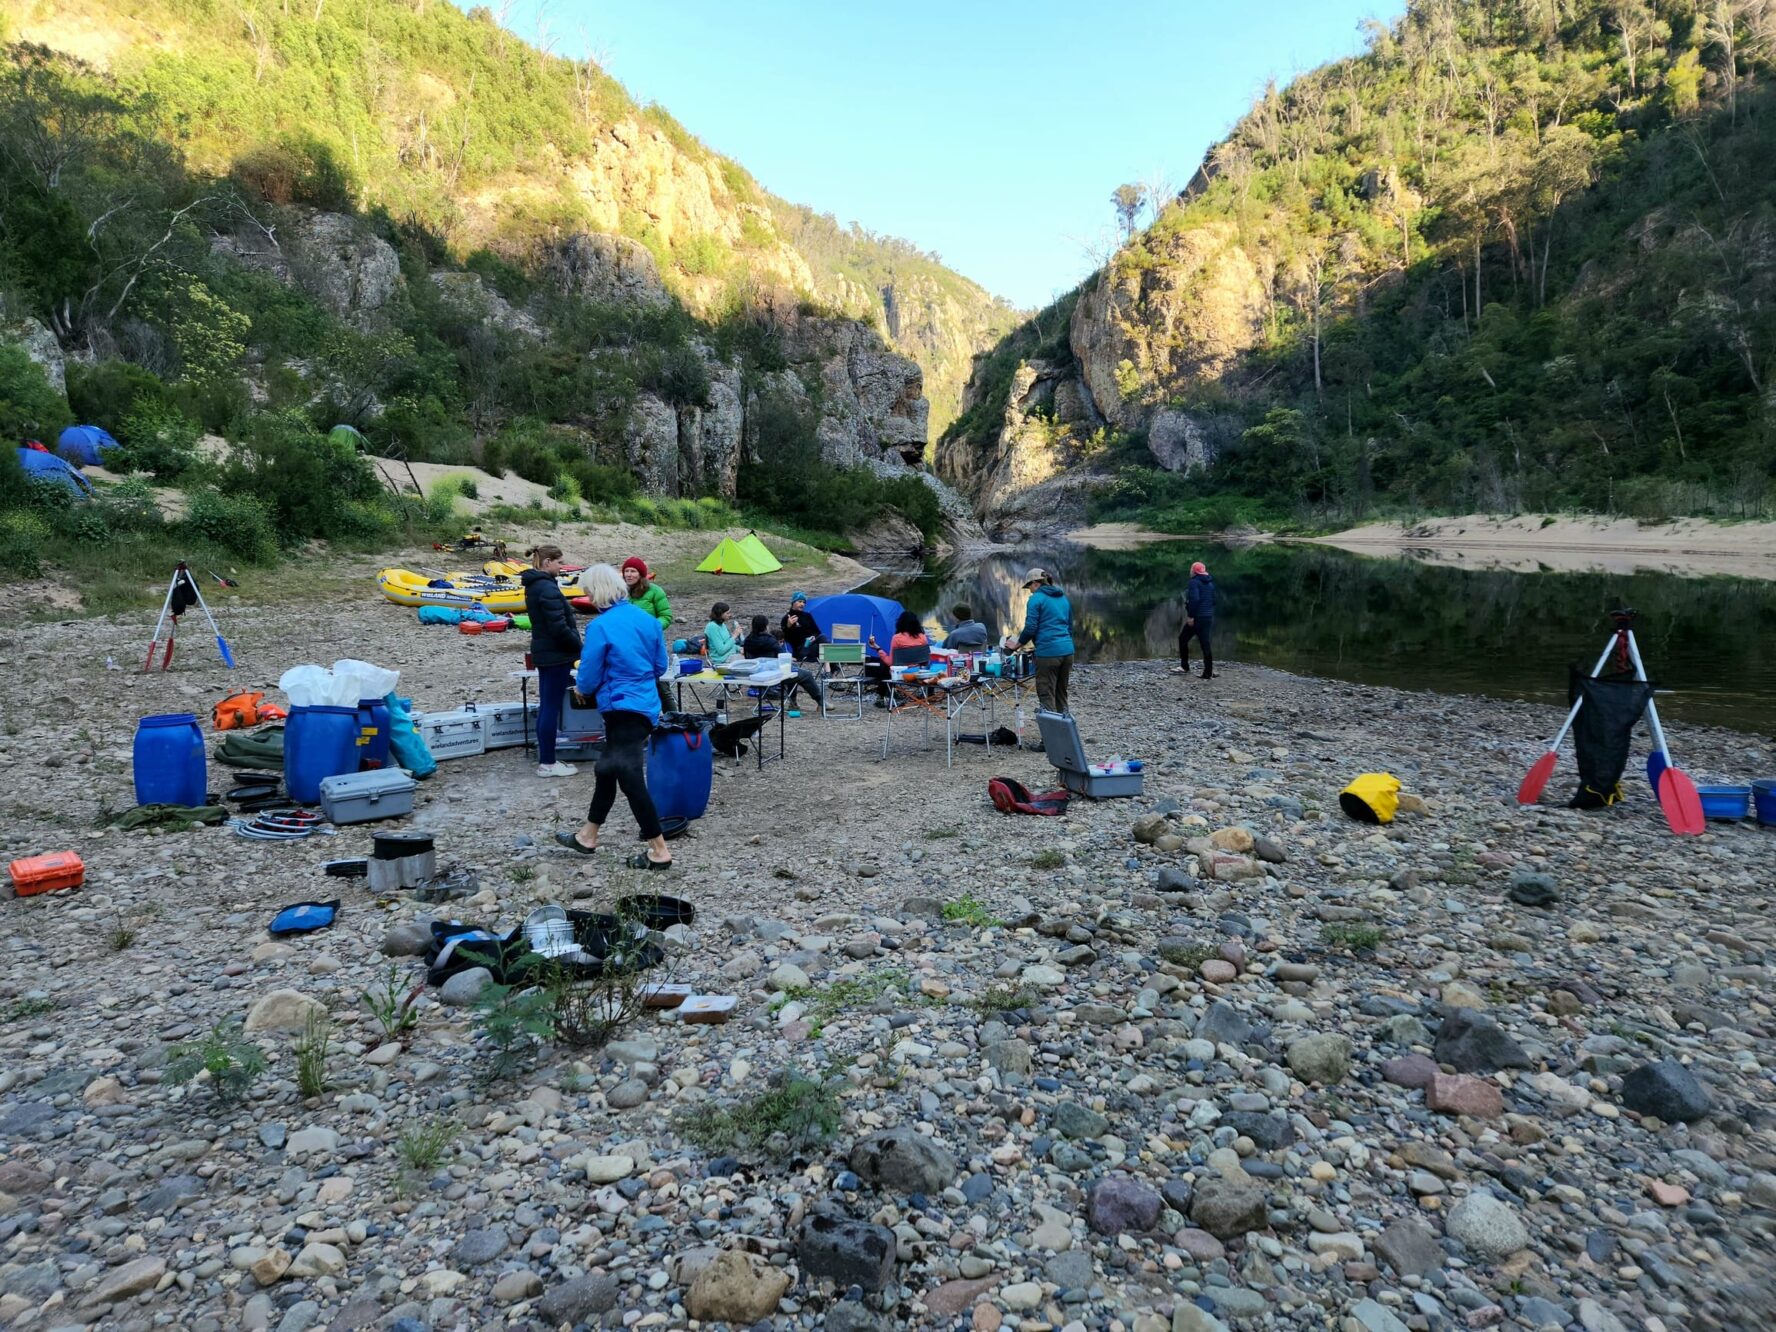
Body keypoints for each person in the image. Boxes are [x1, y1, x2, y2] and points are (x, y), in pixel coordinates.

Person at [556, 564, 673, 870]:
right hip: (646, 705)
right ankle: (587, 836)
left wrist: (583, 688)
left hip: (621, 706)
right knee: (606, 769)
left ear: (599, 591)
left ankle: (659, 852)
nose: (588, 597)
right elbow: (660, 666)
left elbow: (590, 670)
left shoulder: (601, 626)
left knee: (629, 774)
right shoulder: (648, 621)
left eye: (589, 592)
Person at [520, 545, 582, 778]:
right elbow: (558, 626)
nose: (561, 566)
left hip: (546, 653)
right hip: (556, 655)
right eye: (558, 562)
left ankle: (548, 758)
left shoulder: (535, 586)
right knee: (550, 707)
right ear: (547, 563)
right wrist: (578, 646)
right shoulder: (546, 587)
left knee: (547, 705)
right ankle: (547, 762)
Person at [1015, 567, 1075, 715]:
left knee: (1046, 692)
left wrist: (1017, 644)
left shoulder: (1036, 599)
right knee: (1061, 692)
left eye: (1029, 586)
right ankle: (1065, 730)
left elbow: (1030, 628)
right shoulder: (1062, 598)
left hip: (1048, 653)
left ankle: (1052, 736)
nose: (1029, 590)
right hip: (1067, 651)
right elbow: (1070, 627)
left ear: (1035, 583)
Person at [622, 556, 674, 712]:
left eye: (633, 571)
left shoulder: (654, 591)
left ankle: (675, 718)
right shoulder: (620, 592)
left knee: (661, 686)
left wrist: (650, 630)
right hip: (628, 647)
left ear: (641, 574)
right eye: (626, 571)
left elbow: (666, 616)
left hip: (651, 645)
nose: (629, 575)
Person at [743, 614, 824, 712]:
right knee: (804, 674)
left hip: (755, 675)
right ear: (766, 626)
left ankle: (793, 703)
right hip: (773, 675)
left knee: (793, 671)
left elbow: (747, 658)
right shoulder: (770, 640)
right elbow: (783, 657)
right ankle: (821, 702)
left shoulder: (747, 640)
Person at [866, 611, 931, 705]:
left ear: (900, 623)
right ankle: (927, 694)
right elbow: (925, 661)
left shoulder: (897, 638)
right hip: (918, 673)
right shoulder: (923, 637)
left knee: (884, 665)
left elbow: (890, 662)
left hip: (900, 674)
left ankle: (882, 696)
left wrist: (877, 648)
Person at [1176, 560, 1216, 679]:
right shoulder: (1210, 583)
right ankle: (1208, 671)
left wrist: (1191, 616)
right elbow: (1214, 601)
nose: (1190, 571)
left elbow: (1195, 599)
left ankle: (1184, 666)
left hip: (1197, 618)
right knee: (1205, 643)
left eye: (1191, 569)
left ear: (1194, 571)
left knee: (1182, 639)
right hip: (1207, 617)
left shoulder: (1194, 582)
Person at [779, 591, 825, 664]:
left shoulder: (807, 616)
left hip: (811, 644)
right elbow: (785, 639)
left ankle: (831, 670)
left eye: (804, 602)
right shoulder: (787, 618)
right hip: (800, 650)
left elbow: (817, 632)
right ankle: (833, 668)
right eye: (799, 601)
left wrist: (813, 637)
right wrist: (788, 626)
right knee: (823, 649)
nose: (802, 604)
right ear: (793, 602)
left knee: (823, 638)